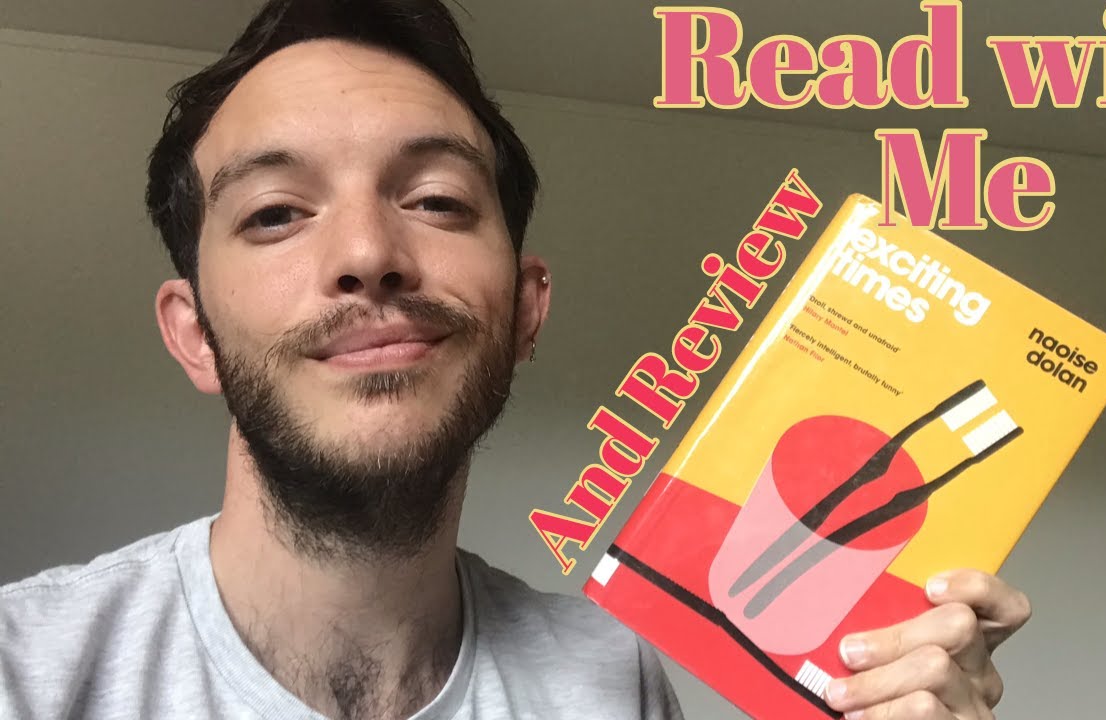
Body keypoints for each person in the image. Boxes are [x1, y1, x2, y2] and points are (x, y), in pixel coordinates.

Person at [0, 1, 1032, 718]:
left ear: (525, 310)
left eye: (436, 200)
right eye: (276, 213)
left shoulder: (610, 679)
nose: (367, 253)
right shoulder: (28, 673)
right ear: (193, 333)